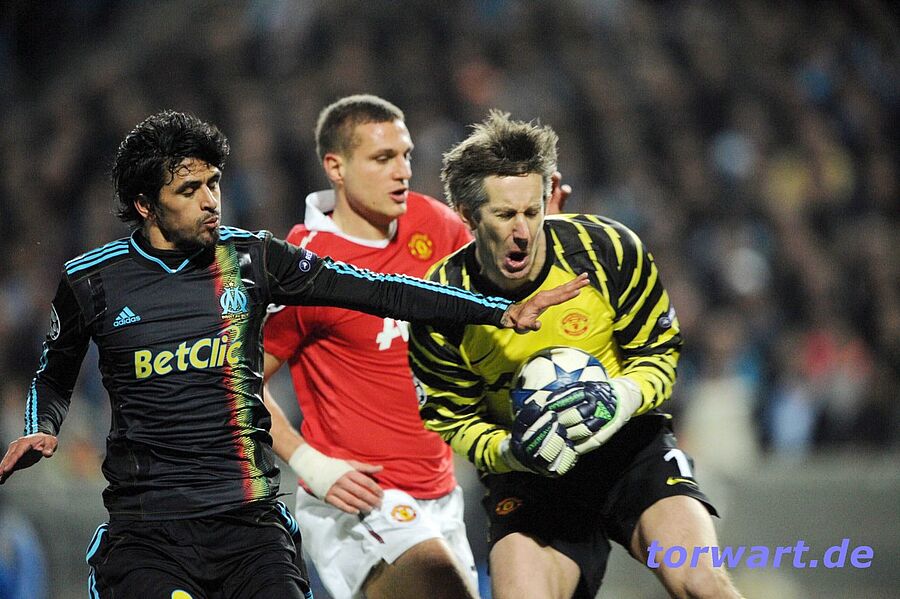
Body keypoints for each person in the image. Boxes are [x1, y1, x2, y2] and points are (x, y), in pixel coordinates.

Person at [0, 110, 587, 599]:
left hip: (248, 526)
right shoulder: (93, 281)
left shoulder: (254, 259)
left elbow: (382, 290)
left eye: (214, 184)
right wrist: (41, 425)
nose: (211, 201)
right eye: (189, 191)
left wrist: (498, 311)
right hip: (149, 531)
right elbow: (54, 372)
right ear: (146, 205)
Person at [409, 111, 744, 599]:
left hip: (630, 450)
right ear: (467, 213)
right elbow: (451, 417)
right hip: (530, 477)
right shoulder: (439, 300)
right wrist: (510, 451)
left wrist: (619, 399)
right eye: (504, 215)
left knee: (701, 583)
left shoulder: (608, 249)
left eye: (532, 211)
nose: (523, 231)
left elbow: (659, 354)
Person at [262, 94, 572, 599]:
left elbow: (505, 300)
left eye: (405, 155)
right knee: (443, 589)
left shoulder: (433, 223)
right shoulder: (304, 265)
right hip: (359, 498)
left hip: (442, 494)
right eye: (382, 158)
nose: (402, 171)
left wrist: (537, 240)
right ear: (336, 167)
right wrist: (311, 464)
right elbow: (236, 378)